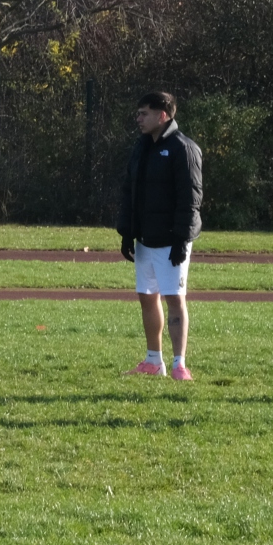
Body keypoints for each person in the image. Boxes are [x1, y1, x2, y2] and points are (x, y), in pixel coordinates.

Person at [116, 91, 202, 381]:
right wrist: (127, 232)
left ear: (162, 115)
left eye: (144, 113)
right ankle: (154, 361)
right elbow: (129, 191)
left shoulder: (184, 149)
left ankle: (179, 365)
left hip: (171, 241)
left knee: (174, 298)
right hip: (146, 239)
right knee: (147, 297)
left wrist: (181, 240)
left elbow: (190, 200)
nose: (138, 119)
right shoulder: (141, 147)